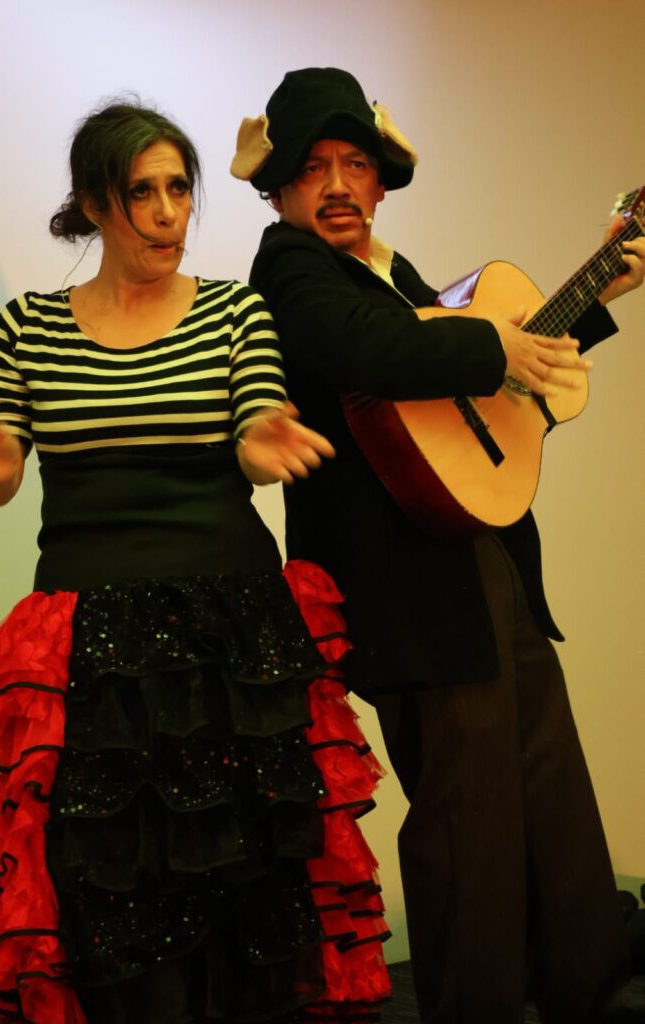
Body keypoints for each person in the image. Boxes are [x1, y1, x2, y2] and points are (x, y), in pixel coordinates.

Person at [0, 99, 393, 1024]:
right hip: (94, 649)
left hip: (228, 638)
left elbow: (256, 425)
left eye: (179, 189)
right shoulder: (27, 326)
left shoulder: (234, 309)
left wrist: (262, 437)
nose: (167, 213)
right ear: (93, 204)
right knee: (111, 898)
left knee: (249, 888)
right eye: (141, 193)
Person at [231, 67, 645, 1023]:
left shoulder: (391, 272)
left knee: (544, 776)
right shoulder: (290, 270)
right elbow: (377, 354)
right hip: (405, 583)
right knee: (468, 816)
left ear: (380, 181)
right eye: (313, 168)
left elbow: (474, 386)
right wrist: (495, 347)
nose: (338, 185)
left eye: (355, 164)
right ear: (280, 189)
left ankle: (581, 980)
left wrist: (598, 287)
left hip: (478, 552)